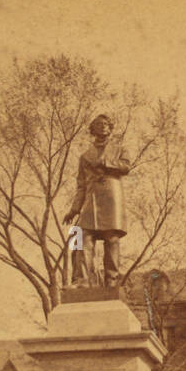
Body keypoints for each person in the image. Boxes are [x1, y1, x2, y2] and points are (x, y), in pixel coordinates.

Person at [64, 114, 131, 287]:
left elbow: (126, 167)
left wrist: (107, 163)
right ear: (92, 130)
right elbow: (81, 185)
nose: (102, 127)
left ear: (110, 128)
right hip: (91, 199)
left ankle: (111, 280)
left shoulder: (119, 149)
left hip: (111, 198)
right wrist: (74, 209)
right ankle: (82, 280)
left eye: (105, 124)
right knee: (81, 235)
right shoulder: (85, 156)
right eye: (98, 124)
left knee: (111, 239)